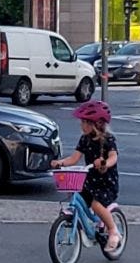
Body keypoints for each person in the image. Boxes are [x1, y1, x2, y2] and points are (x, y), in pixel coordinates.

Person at [51, 100, 121, 251]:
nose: (81, 125)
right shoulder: (84, 139)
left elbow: (113, 157)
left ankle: (113, 231)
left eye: (84, 122)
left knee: (96, 205)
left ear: (96, 124)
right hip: (90, 180)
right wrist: (60, 163)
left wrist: (104, 163)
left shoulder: (108, 139)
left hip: (106, 183)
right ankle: (83, 223)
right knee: (77, 195)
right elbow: (74, 158)